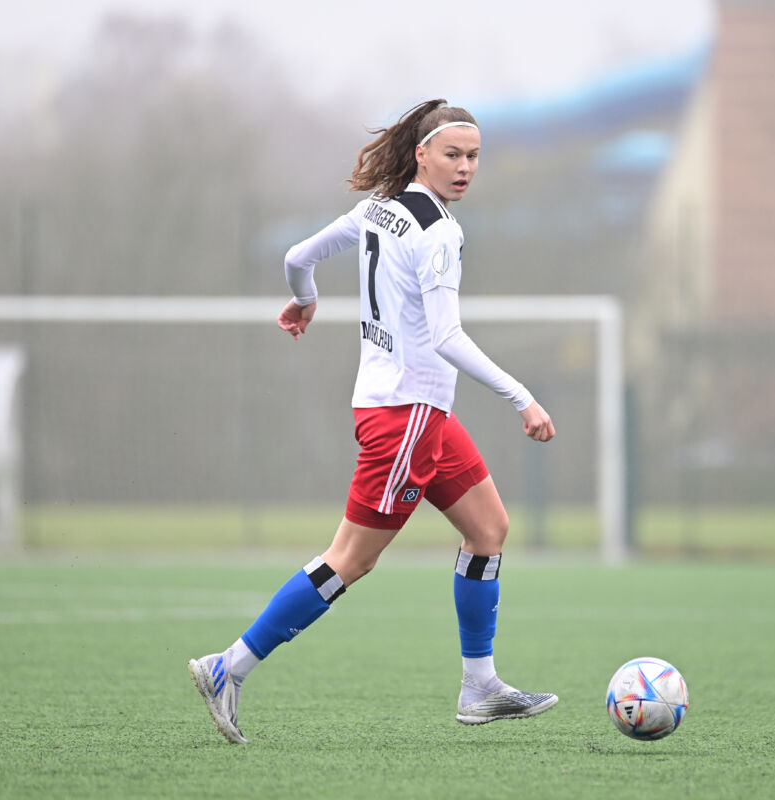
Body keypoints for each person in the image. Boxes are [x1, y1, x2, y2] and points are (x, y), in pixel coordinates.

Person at [188, 98, 559, 744]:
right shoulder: (437, 231)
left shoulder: (375, 210)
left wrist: (304, 303)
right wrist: (520, 395)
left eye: (474, 156)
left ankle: (480, 687)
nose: (466, 167)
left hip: (412, 412)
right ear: (422, 154)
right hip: (406, 416)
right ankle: (229, 667)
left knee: (488, 529)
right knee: (349, 561)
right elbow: (446, 336)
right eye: (453, 154)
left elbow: (297, 257)